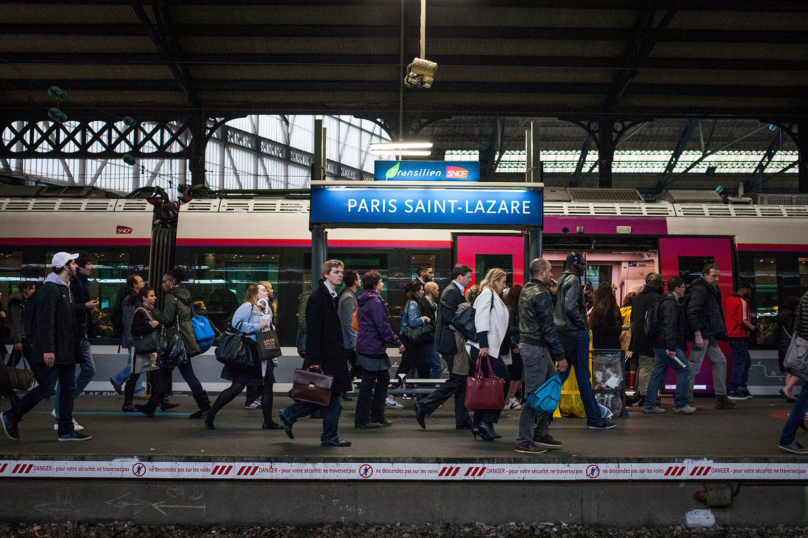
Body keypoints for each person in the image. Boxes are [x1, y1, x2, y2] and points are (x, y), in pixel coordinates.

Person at [1, 252, 91, 441]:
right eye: (73, 263)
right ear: (65, 267)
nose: (76, 266)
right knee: (47, 388)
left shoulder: (64, 289)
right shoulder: (50, 290)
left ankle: (65, 429)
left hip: (65, 350)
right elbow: (45, 322)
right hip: (54, 350)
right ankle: (11, 416)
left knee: (68, 387)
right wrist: (48, 349)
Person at [279, 260, 352, 447]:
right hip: (326, 359)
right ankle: (328, 437)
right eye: (336, 272)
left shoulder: (331, 296)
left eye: (342, 272)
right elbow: (313, 333)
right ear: (326, 274)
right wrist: (314, 361)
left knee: (324, 398)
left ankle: (291, 414)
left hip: (331, 356)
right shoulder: (318, 298)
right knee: (332, 399)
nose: (341, 275)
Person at [136, 267, 210, 419]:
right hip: (185, 339)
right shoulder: (185, 294)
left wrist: (153, 310)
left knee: (185, 375)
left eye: (164, 281)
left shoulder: (171, 297)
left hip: (176, 343)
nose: (162, 285)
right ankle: (151, 407)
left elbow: (167, 320)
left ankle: (206, 408)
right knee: (167, 373)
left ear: (172, 282)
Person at [205, 283, 281, 430]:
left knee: (267, 385)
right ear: (254, 293)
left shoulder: (265, 309)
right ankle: (210, 413)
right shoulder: (248, 307)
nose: (266, 293)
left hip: (262, 351)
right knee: (238, 386)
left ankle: (268, 421)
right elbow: (236, 323)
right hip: (249, 351)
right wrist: (255, 327)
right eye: (263, 291)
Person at [554, 252, 615, 430]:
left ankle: (538, 411)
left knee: (561, 375)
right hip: (576, 334)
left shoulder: (561, 280)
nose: (584, 268)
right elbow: (571, 307)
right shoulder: (573, 280)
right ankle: (595, 419)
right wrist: (582, 324)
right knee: (583, 378)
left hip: (564, 334)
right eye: (582, 264)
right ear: (575, 264)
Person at [515, 258, 568, 454]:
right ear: (543, 273)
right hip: (538, 349)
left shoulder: (527, 289)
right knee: (535, 395)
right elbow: (548, 327)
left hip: (530, 346)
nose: (553, 276)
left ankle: (541, 431)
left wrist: (552, 295)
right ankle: (524, 440)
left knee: (551, 386)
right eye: (550, 271)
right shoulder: (541, 294)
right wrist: (560, 355)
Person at [414, 264, 473, 430]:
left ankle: (462, 419)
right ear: (460, 277)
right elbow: (448, 317)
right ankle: (424, 406)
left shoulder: (452, 291)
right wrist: (468, 329)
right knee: (457, 380)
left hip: (452, 342)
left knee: (460, 381)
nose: (470, 279)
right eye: (468, 276)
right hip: (451, 343)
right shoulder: (452, 291)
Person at [53, 251, 99, 432]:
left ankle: (62, 411)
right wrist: (85, 307)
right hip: (74, 335)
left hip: (79, 334)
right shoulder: (70, 285)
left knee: (72, 377)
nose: (92, 267)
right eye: (88, 263)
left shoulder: (78, 283)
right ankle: (61, 413)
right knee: (70, 378)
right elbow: (67, 310)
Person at [354, 270, 404, 428]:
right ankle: (363, 419)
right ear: (375, 284)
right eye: (381, 281)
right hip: (372, 347)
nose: (383, 284)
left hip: (368, 345)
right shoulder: (375, 302)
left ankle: (376, 414)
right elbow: (383, 326)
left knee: (382, 379)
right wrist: (397, 342)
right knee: (369, 383)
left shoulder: (365, 299)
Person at [466, 268, 512, 441]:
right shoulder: (488, 294)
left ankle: (479, 424)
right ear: (494, 281)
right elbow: (481, 319)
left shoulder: (493, 296)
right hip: (484, 348)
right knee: (503, 382)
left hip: (489, 347)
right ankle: (487, 421)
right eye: (502, 282)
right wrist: (484, 344)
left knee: (485, 385)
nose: (504, 286)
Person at [685, 263, 735, 410]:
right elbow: (693, 312)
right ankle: (686, 400)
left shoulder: (711, 289)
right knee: (694, 366)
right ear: (705, 274)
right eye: (714, 275)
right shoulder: (700, 289)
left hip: (709, 332)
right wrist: (697, 333)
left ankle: (721, 397)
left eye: (718, 276)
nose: (717, 278)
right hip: (702, 333)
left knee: (720, 361)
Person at [643, 277, 695, 415]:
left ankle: (649, 405)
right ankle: (680, 404)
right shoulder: (671, 304)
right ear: (677, 288)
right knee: (685, 370)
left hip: (659, 345)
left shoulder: (661, 300)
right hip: (667, 347)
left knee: (657, 374)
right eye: (683, 287)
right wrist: (672, 348)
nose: (684, 290)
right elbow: (670, 326)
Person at [626, 273, 665, 408]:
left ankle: (639, 391)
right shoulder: (656, 298)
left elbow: (633, 318)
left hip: (637, 336)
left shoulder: (637, 298)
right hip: (649, 337)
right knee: (647, 365)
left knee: (642, 365)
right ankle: (644, 394)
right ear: (656, 284)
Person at [111, 274, 148, 405]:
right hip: (133, 336)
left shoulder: (133, 298)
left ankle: (135, 388)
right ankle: (120, 380)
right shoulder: (131, 298)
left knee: (135, 362)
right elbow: (128, 320)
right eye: (141, 281)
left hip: (134, 336)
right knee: (136, 363)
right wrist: (130, 337)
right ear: (134, 285)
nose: (143, 283)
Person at [778, 289, 808, 454]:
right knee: (804, 399)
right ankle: (787, 438)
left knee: (804, 398)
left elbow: (798, 326)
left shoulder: (804, 297)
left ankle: (788, 436)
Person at [244, 280, 277, 409]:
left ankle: (261, 402)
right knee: (254, 376)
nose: (271, 291)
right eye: (268, 289)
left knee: (266, 376)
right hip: (256, 344)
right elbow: (238, 323)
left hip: (265, 342)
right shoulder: (250, 307)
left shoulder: (267, 305)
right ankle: (252, 399)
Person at [394, 280, 431, 385]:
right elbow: (413, 322)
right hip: (410, 340)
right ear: (416, 292)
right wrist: (424, 318)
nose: (423, 292)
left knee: (422, 365)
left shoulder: (407, 301)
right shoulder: (413, 303)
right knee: (406, 366)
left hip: (409, 339)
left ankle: (424, 396)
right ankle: (391, 394)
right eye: (421, 290)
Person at [726, 282, 756, 400]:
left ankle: (741, 388)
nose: (750, 292)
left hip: (732, 335)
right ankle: (735, 390)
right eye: (749, 289)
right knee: (740, 364)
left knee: (745, 362)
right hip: (739, 336)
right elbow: (743, 321)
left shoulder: (729, 300)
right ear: (743, 289)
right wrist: (754, 328)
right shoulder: (742, 302)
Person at [338, 270, 361, 402]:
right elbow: (349, 323)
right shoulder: (348, 298)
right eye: (358, 278)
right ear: (354, 282)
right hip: (348, 342)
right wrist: (355, 343)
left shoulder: (348, 295)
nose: (360, 280)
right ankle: (342, 389)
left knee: (356, 367)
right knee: (359, 367)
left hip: (347, 341)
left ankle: (343, 389)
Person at [502, 284, 523, 411]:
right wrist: (513, 344)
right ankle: (508, 399)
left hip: (514, 344)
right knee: (515, 374)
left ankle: (510, 398)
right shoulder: (511, 309)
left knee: (516, 374)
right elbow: (509, 329)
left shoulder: (510, 308)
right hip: (513, 345)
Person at [589, 285, 629, 350]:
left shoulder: (596, 308)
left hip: (598, 344)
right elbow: (606, 329)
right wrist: (621, 328)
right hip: (609, 345)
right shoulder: (607, 309)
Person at [777, 296, 800, 402]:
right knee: (799, 369)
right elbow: (794, 331)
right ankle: (786, 390)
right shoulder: (791, 316)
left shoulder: (782, 315)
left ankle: (789, 394)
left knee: (790, 371)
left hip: (784, 345)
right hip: (792, 345)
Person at [8, 281, 35, 365]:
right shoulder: (17, 302)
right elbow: (16, 321)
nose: (34, 291)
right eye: (32, 289)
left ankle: (6, 376)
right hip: (21, 337)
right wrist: (18, 340)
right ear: (26, 290)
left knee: (13, 362)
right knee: (33, 362)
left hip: (24, 336)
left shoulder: (27, 302)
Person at [422, 281, 443, 379]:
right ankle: (429, 390)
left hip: (431, 339)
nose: (438, 292)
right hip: (428, 339)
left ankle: (425, 391)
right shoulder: (424, 304)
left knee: (428, 366)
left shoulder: (434, 304)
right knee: (437, 367)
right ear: (431, 290)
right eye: (437, 290)